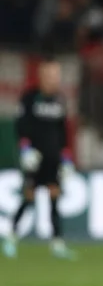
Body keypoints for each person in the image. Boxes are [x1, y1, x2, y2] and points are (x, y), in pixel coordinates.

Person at [2, 58, 75, 260]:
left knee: (54, 197)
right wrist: (25, 149)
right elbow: (21, 125)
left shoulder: (60, 100)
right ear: (42, 77)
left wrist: (67, 158)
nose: (55, 80)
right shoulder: (30, 98)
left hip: (53, 158)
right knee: (28, 196)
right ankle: (11, 237)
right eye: (51, 75)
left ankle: (57, 243)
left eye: (57, 76)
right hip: (35, 157)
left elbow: (63, 133)